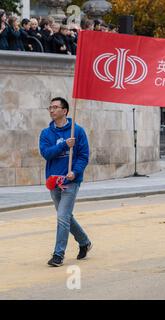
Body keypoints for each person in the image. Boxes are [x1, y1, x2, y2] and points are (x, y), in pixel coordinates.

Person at [39, 97, 92, 267]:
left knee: (62, 217)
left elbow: (83, 156)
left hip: (71, 181)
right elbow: (46, 153)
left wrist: (74, 172)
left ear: (65, 111)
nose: (52, 110)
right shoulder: (46, 133)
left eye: (55, 107)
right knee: (66, 216)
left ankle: (58, 255)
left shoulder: (77, 131)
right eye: (50, 107)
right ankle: (84, 242)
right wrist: (64, 146)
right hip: (54, 181)